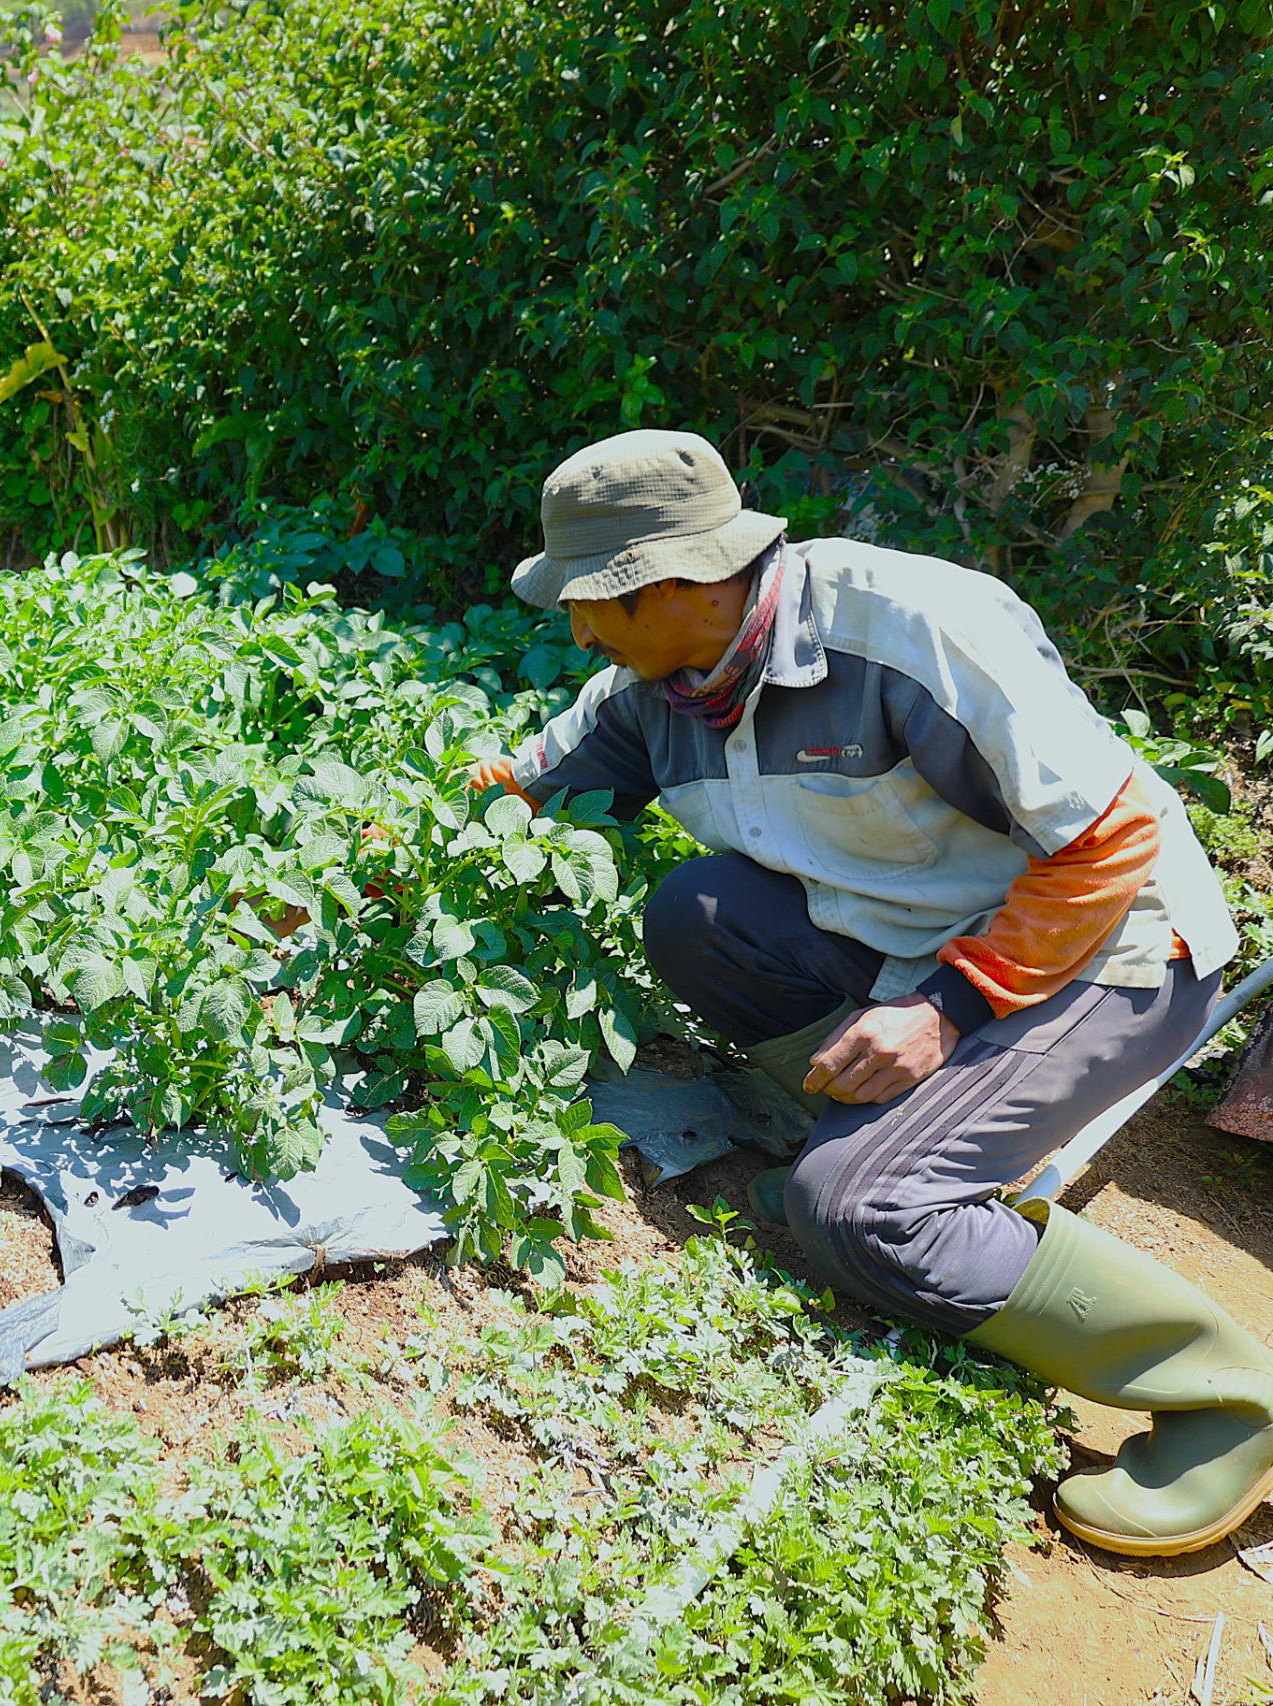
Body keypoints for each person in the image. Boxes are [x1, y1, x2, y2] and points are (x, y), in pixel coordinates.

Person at [477, 428, 1254, 1558]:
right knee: (697, 916)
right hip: (915, 937)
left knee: (855, 1209)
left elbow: (1112, 839)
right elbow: (513, 794)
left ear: (681, 581)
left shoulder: (909, 632)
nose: (579, 628)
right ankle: (898, 1134)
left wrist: (948, 1006)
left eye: (594, 602)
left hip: (1109, 947)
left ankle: (1226, 1396)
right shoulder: (655, 690)